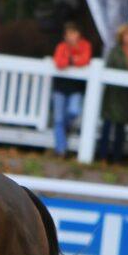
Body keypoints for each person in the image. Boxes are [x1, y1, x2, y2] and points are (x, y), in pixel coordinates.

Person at [100, 23, 128, 163]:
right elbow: (108, 68)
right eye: (127, 34)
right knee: (107, 125)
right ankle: (103, 156)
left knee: (121, 127)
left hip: (126, 95)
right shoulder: (115, 51)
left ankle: (117, 158)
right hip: (113, 94)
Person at [50, 22, 93, 157]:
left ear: (78, 35)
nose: (71, 37)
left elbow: (85, 60)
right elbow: (59, 63)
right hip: (60, 87)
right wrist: (73, 60)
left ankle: (65, 128)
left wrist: (71, 60)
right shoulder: (61, 47)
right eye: (69, 34)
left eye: (73, 33)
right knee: (58, 119)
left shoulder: (85, 46)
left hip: (75, 88)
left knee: (73, 111)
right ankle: (61, 150)